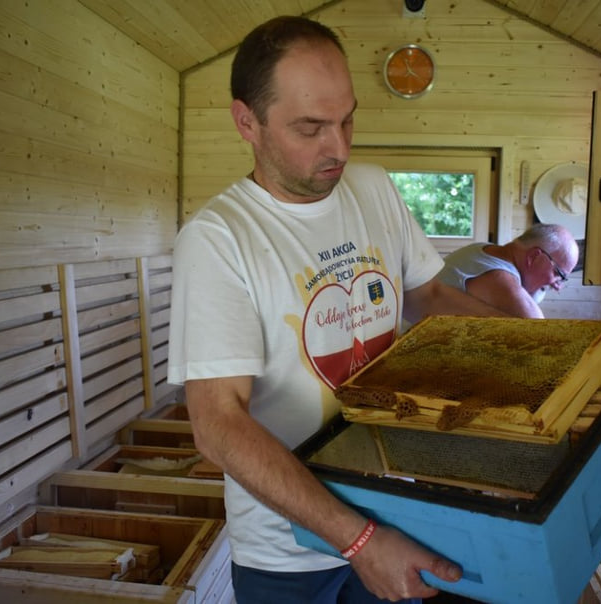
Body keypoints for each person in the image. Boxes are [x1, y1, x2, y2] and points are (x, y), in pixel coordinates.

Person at [167, 15, 508, 604]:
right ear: (246, 121)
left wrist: (552, 345)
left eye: (348, 119)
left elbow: (427, 297)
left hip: (402, 510)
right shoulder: (219, 238)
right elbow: (217, 424)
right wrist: (359, 543)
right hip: (290, 555)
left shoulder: (374, 188)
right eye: (311, 128)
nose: (341, 147)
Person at [435, 223, 579, 319]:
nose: (556, 285)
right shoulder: (499, 279)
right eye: (557, 274)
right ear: (534, 256)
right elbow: (540, 334)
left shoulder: (484, 249)